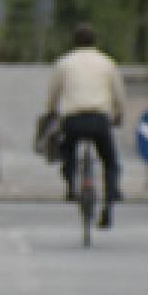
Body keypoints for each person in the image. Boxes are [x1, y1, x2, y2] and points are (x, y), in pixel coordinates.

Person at [46, 22, 125, 228]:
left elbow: (53, 94)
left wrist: (52, 111)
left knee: (68, 150)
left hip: (73, 119)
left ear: (74, 42)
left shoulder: (64, 63)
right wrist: (119, 115)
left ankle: (71, 185)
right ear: (95, 41)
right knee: (110, 160)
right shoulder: (107, 63)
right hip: (99, 119)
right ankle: (110, 199)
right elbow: (119, 95)